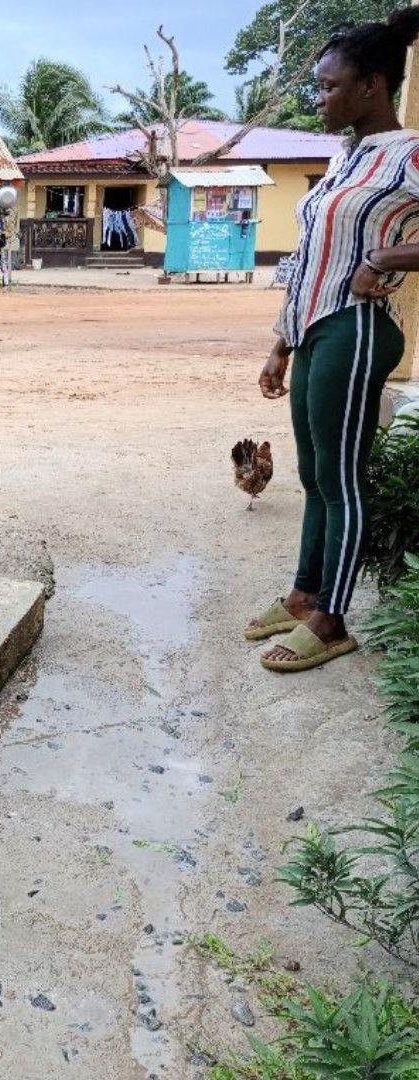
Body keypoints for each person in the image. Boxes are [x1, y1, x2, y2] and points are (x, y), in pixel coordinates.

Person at [248, 10, 419, 672]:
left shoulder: (407, 154)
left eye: (329, 86)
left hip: (358, 327)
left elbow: (372, 253)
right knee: (312, 474)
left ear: (373, 85)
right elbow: (309, 254)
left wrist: (384, 260)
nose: (319, 98)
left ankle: (333, 619)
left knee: (341, 478)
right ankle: (302, 596)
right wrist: (280, 343)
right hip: (315, 329)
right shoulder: (345, 156)